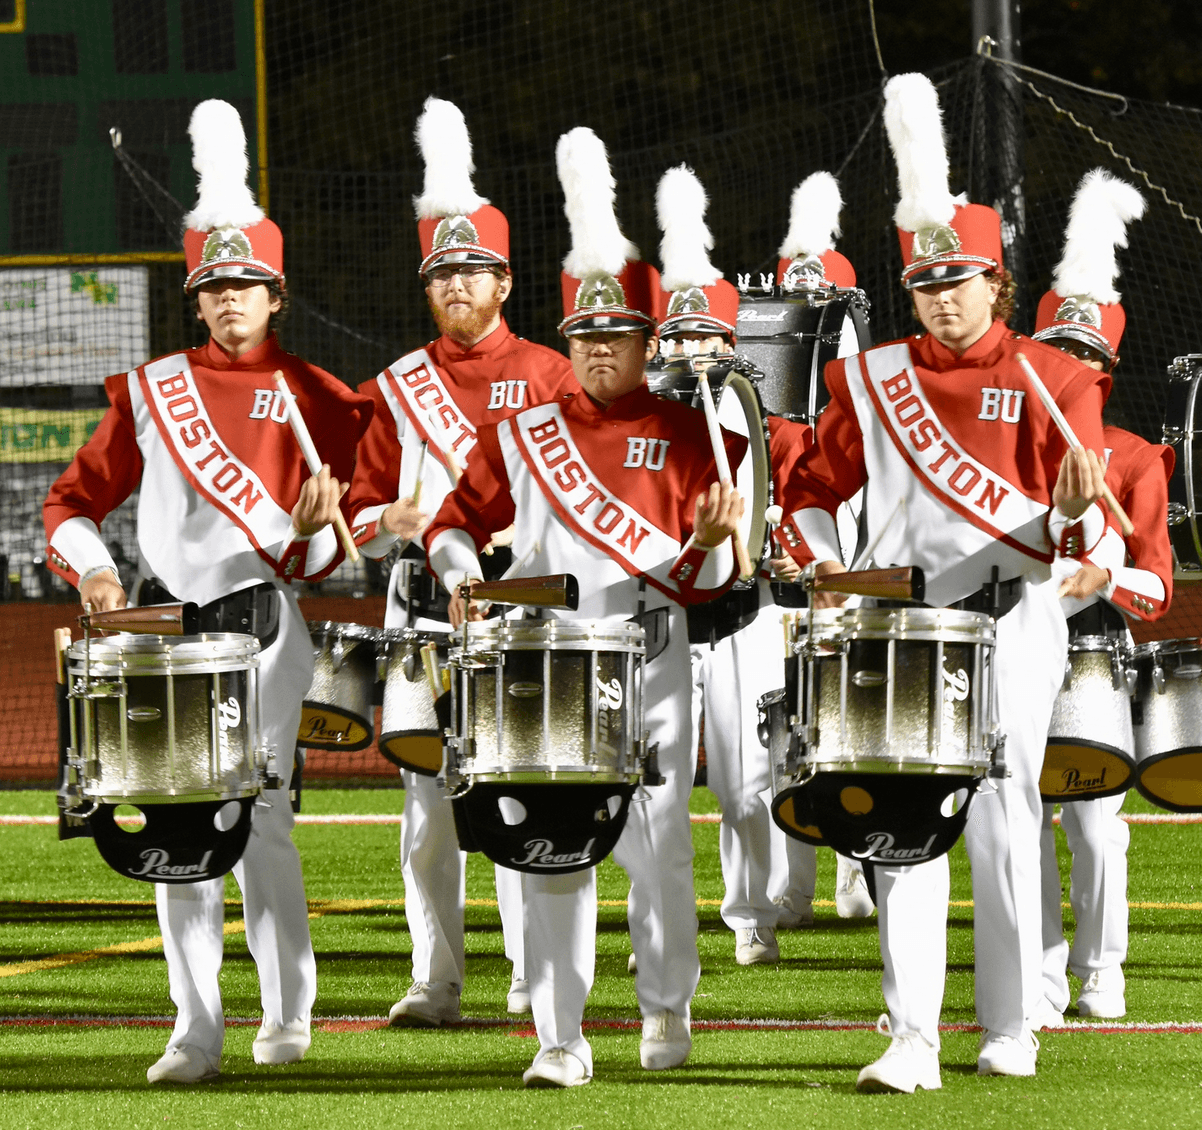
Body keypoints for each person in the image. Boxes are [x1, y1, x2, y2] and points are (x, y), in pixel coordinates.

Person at [776, 73, 1120, 1092]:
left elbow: (1080, 521)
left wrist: (1068, 509)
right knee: (901, 820)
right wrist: (819, 557)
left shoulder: (1056, 380)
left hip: (1008, 620)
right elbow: (808, 488)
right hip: (895, 624)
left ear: (996, 281)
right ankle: (911, 1038)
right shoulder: (870, 376)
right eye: (926, 282)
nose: (942, 295)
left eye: (961, 279)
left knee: (1008, 816)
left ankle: (1009, 1023)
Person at [43, 100, 372, 1083]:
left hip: (265, 627)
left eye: (247, 284)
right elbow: (70, 502)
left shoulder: (321, 398)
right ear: (197, 300)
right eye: (214, 286)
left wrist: (317, 529)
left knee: (260, 815)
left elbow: (331, 564)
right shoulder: (149, 393)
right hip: (160, 628)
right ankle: (195, 1026)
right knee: (175, 823)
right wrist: (94, 567)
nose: (230, 298)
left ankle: (288, 1008)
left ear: (275, 295)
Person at [424, 126, 743, 1087]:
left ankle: (665, 1008)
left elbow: (720, 589)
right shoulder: (520, 433)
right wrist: (458, 574)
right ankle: (561, 1038)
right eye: (586, 339)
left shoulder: (696, 434)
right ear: (567, 344)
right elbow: (449, 521)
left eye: (618, 337)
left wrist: (722, 545)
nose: (601, 353)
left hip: (652, 660)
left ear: (649, 342)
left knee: (658, 850)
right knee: (550, 851)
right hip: (546, 665)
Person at [347, 97, 575, 1027]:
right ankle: (435, 979)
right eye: (440, 272)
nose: (453, 284)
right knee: (426, 809)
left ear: (504, 281)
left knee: (517, 792)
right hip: (423, 608)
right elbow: (356, 517)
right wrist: (389, 518)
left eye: (470, 269)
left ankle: (528, 977)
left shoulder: (557, 373)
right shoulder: (395, 384)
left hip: (521, 606)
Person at [651, 163, 812, 966]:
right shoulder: (635, 431)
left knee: (749, 783)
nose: (692, 351)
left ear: (732, 343)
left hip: (746, 615)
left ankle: (751, 914)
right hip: (663, 622)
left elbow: (813, 509)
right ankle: (665, 926)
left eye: (706, 337)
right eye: (677, 337)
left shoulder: (774, 429)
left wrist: (789, 545)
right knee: (661, 787)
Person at [1028, 169, 1172, 1025]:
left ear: (1107, 372)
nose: (1069, 369)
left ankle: (1100, 972)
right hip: (1010, 646)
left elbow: (1155, 588)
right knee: (1018, 823)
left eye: (1086, 357)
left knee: (1092, 827)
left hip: (1087, 659)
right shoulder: (998, 444)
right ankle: (1040, 980)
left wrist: (1105, 575)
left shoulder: (1134, 457)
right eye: (1057, 353)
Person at [763, 171, 876, 927]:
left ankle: (854, 871)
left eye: (824, 313)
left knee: (856, 720)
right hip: (774, 590)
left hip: (853, 579)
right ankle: (787, 884)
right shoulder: (752, 408)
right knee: (780, 724)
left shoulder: (869, 404)